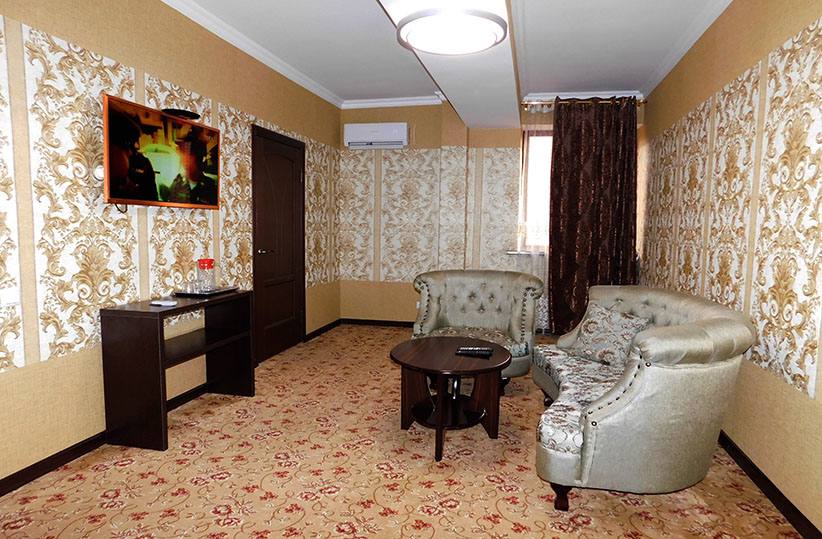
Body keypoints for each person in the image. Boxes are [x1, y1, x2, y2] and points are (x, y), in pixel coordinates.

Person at [107, 107, 158, 201]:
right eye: (127, 144)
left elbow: (153, 198)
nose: (130, 152)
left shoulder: (143, 163)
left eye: (133, 142)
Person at [169, 135, 218, 206]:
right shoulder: (177, 183)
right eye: (182, 153)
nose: (183, 159)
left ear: (198, 158)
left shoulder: (210, 186)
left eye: (188, 154)